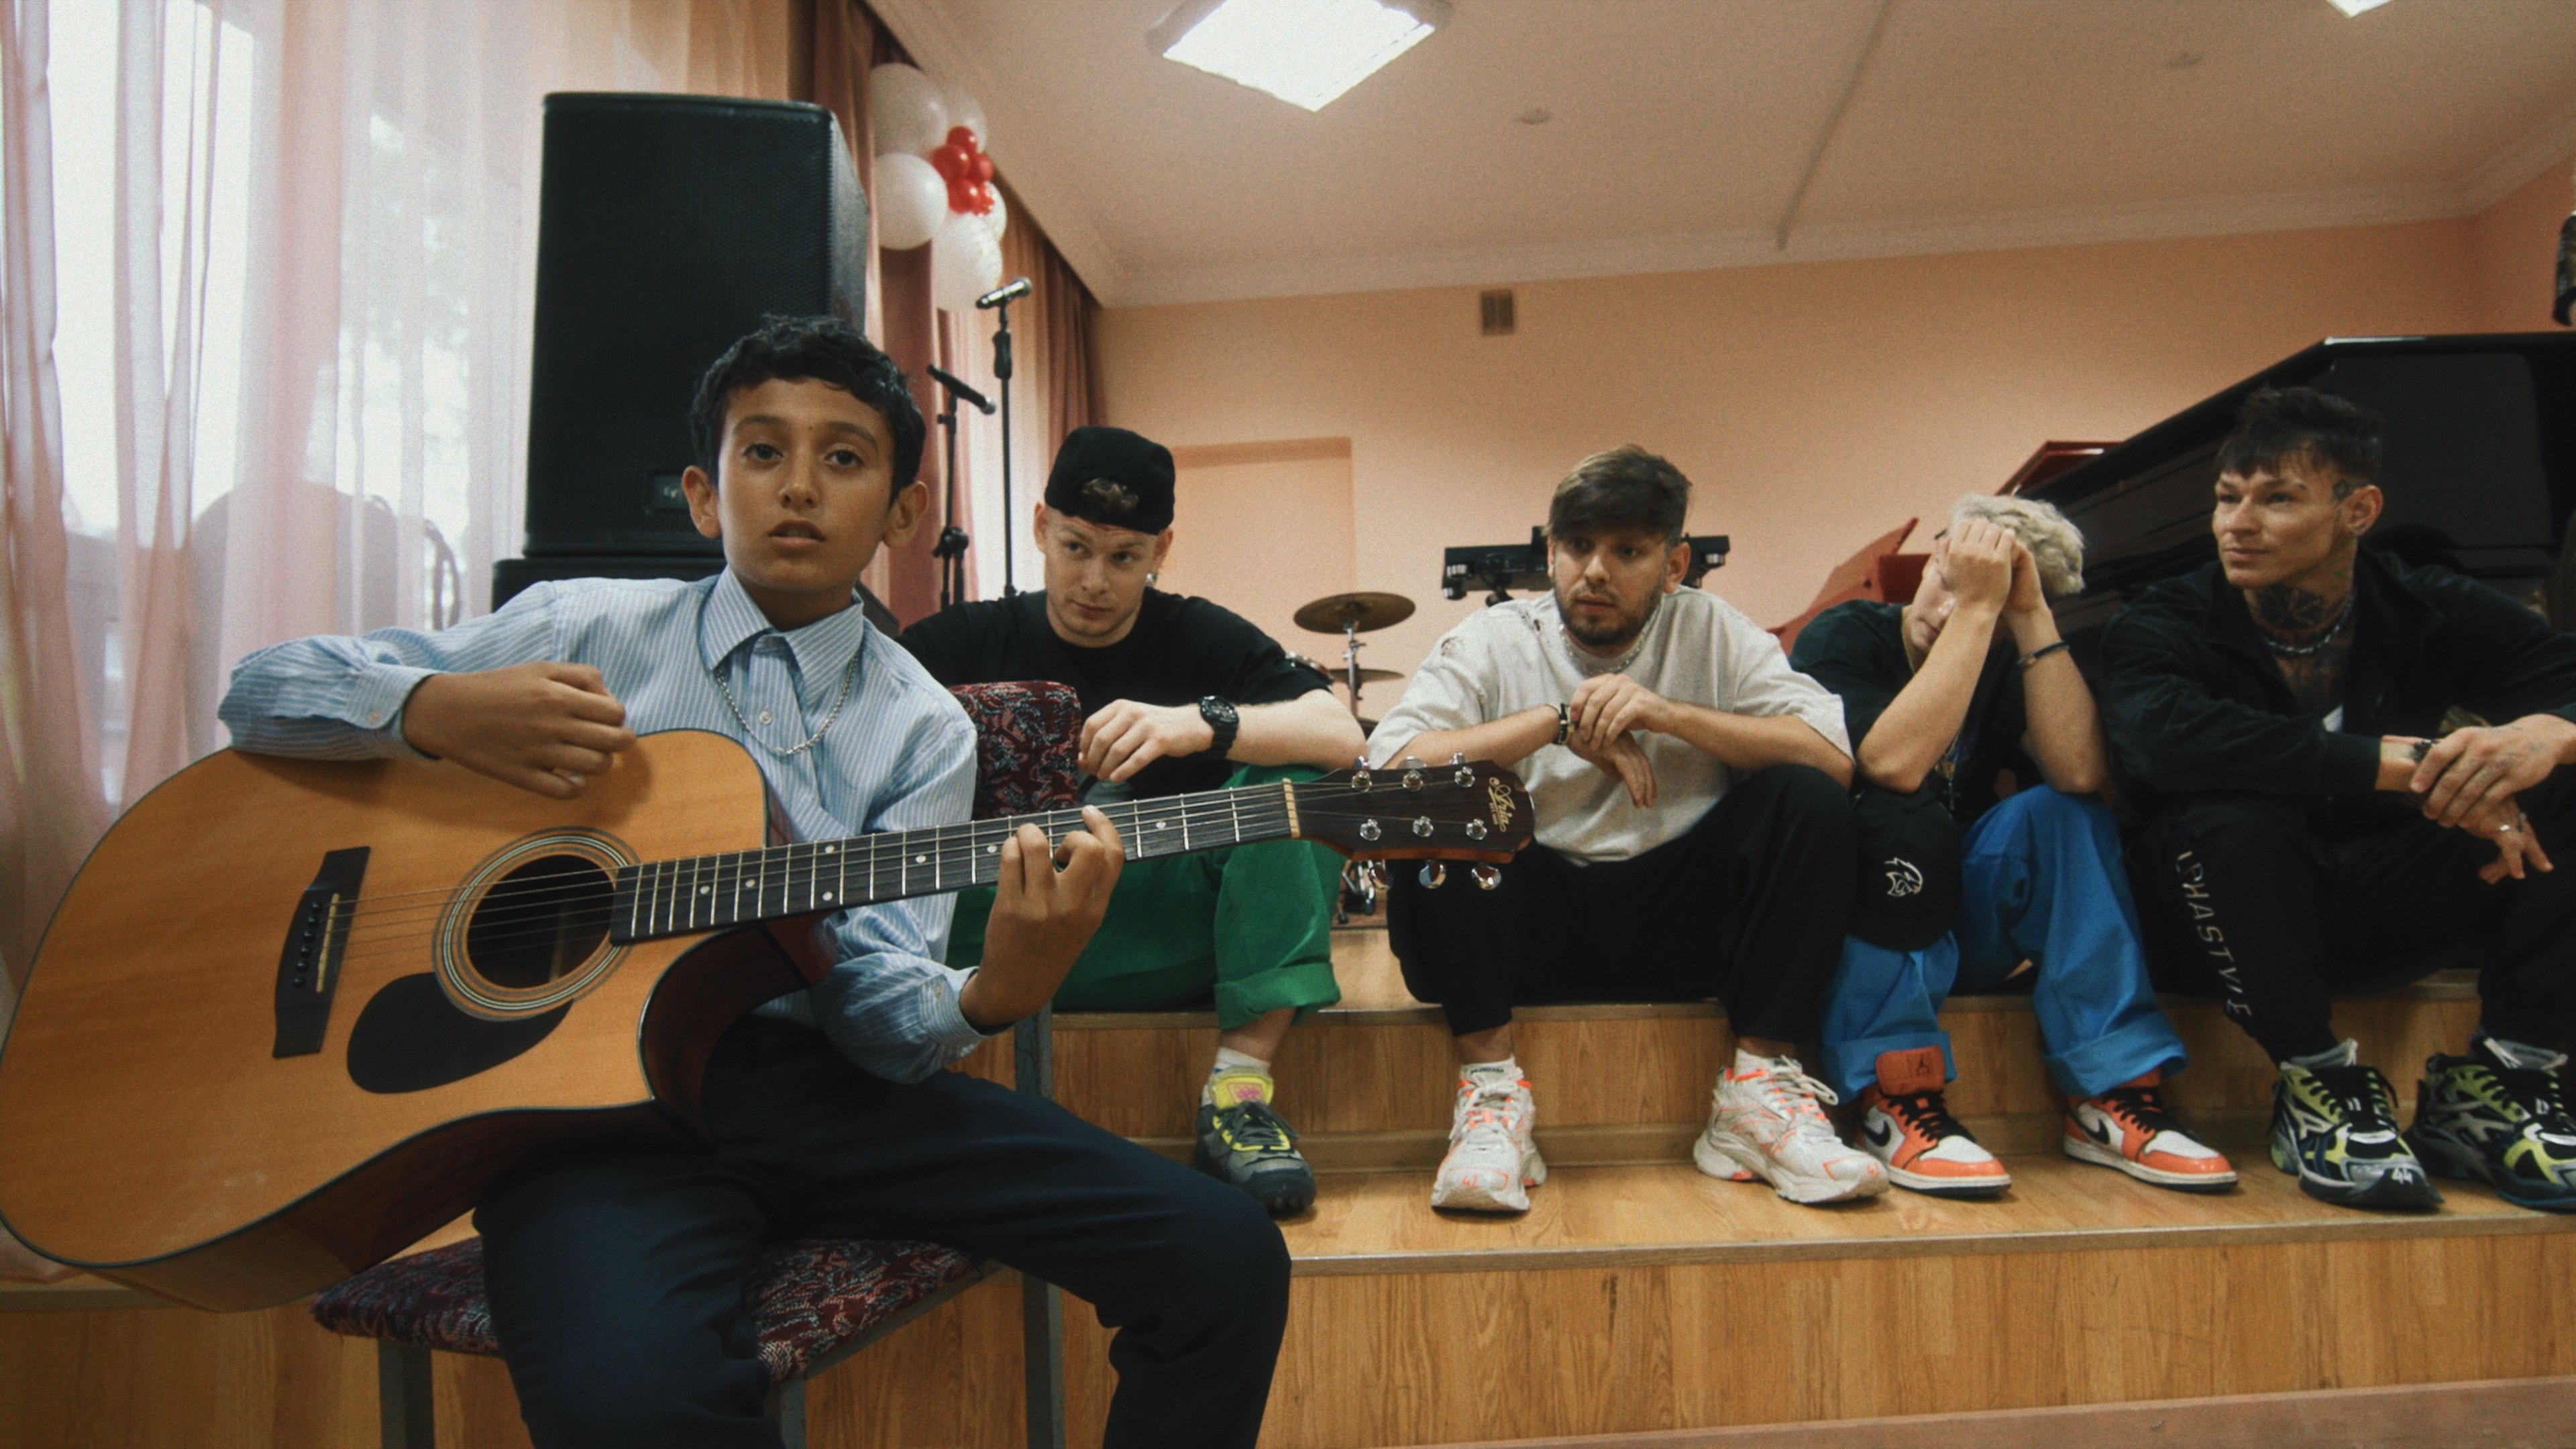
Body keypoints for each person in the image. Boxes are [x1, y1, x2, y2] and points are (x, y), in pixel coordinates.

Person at [218, 317, 1291, 1448]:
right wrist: (428, 709)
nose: (799, 487)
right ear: (702, 492)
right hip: (587, 1114)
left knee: (1223, 1256)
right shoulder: (582, 625)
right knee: (630, 1402)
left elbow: (875, 1011)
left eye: (844, 457)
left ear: (903, 513)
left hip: (830, 1094)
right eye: (763, 451)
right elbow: (259, 689)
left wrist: (992, 992)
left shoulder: (923, 725)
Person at [1368, 445, 1884, 1212]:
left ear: (1675, 565)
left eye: (1628, 552)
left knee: (1808, 798)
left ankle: (1756, 1095)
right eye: (1578, 546)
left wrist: (1668, 715)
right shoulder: (1494, 638)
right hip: (1528, 931)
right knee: (1444, 797)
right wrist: (1555, 721)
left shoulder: (1715, 631)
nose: (1596, 572)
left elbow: (1833, 759)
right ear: (1552, 552)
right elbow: (1388, 771)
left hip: (1681, 924)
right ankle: (1491, 1098)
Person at [2100, 386, 2576, 1214]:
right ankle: (2318, 1085)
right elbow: (2161, 740)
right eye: (2227, 498)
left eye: (2277, 499)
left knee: (2559, 768)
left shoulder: (2430, 605)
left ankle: (2502, 1081)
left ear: (2358, 510)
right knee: (2228, 812)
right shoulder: (2165, 617)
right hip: (2218, 924)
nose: (2238, 524)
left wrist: (2545, 736)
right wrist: (2403, 767)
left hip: (2382, 905)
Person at [900, 425, 1365, 1216]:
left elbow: (1342, 736)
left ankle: (1239, 1092)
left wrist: (1200, 723)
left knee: (1299, 787)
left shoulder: (1199, 634)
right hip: (990, 938)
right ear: (1041, 527)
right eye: (1076, 548)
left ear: (1161, 550)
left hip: (1158, 930)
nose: (1095, 581)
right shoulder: (963, 639)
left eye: (1124, 558)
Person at [1790, 496, 2234, 1197]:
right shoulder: (1846, 634)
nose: (1948, 608)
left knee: (2065, 813)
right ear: (1932, 558)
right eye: (1946, 578)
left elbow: (2080, 771)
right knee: (1899, 816)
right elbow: (1891, 764)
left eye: (1988, 603)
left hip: (1955, 923)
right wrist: (1977, 606)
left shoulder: (2007, 651)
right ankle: (1894, 1096)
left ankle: (2112, 1094)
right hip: (1862, 929)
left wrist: (2027, 614)